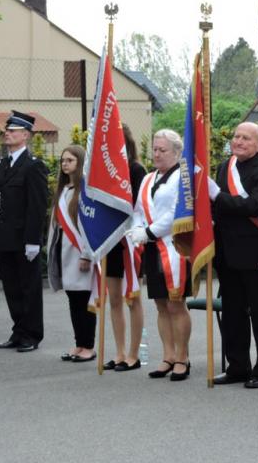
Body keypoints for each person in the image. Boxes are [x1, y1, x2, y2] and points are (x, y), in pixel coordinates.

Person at [208, 122, 258, 389]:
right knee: (232, 313)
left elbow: (254, 206)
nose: (238, 141)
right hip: (227, 252)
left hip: (255, 253)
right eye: (236, 136)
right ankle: (237, 366)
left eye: (246, 138)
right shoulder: (225, 167)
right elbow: (217, 209)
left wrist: (217, 196)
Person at [129, 129, 192, 382]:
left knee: (176, 304)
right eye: (154, 149)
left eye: (162, 150)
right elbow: (138, 209)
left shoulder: (182, 177)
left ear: (177, 152)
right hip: (152, 247)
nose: (156, 154)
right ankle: (168, 356)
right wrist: (138, 229)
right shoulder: (148, 178)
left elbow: (177, 212)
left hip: (174, 248)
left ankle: (182, 358)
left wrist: (148, 232)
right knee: (160, 304)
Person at [0, 111, 49, 353]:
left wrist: (33, 240)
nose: (7, 133)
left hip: (24, 238)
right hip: (6, 237)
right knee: (12, 288)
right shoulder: (3, 164)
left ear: (25, 135)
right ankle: (18, 331)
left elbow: (37, 206)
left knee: (29, 288)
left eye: (13, 130)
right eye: (7, 130)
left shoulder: (33, 165)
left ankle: (32, 334)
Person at [102, 124, 147, 372]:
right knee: (114, 300)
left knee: (133, 299)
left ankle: (134, 353)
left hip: (129, 242)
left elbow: (140, 206)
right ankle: (119, 352)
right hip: (110, 240)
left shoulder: (136, 169)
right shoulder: (102, 171)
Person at [47, 145, 97, 362]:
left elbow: (89, 226)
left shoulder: (85, 190)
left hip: (79, 251)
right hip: (63, 249)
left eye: (70, 160)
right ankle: (79, 343)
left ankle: (89, 346)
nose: (65, 164)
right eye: (63, 160)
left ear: (80, 163)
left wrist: (86, 254)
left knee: (84, 300)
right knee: (73, 300)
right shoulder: (63, 189)